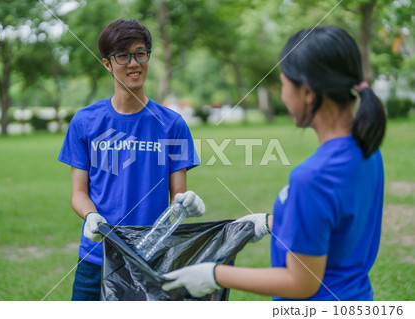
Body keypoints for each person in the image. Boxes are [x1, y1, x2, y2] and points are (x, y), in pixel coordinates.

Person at [162, 26, 386, 301]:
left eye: (283, 84)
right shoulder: (368, 151)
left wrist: (213, 274)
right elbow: (334, 228)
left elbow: (301, 283)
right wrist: (270, 222)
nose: (282, 95)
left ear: (308, 93)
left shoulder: (313, 177)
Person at [58, 19, 205, 301]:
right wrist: (91, 216)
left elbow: (179, 197)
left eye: (140, 53)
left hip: (151, 257)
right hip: (96, 257)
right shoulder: (85, 122)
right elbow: (79, 193)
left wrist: (187, 205)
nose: (133, 63)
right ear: (107, 64)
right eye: (123, 56)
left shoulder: (171, 124)